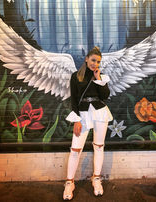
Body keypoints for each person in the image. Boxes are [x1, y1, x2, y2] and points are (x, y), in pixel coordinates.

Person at [63, 46, 113, 200]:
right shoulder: (75, 76)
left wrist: (99, 79)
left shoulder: (100, 76)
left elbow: (105, 96)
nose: (95, 64)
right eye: (93, 60)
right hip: (83, 115)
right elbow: (73, 100)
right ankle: (69, 182)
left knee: (99, 146)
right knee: (75, 149)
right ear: (86, 59)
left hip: (100, 112)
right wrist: (77, 119)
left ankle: (96, 179)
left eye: (98, 62)